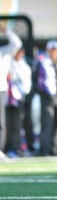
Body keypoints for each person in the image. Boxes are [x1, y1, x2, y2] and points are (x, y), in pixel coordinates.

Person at [0, 23, 23, 159]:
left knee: (0, 122)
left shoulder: (5, 52)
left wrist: (6, 30)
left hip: (0, 90)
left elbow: (17, 42)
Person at [6, 46, 31, 157]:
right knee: (5, 125)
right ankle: (5, 148)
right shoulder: (6, 63)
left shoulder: (25, 66)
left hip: (18, 99)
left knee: (16, 125)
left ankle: (15, 148)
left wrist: (19, 94)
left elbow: (27, 85)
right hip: (5, 99)